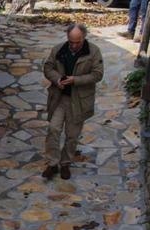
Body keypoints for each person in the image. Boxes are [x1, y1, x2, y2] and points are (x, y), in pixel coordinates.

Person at [41, 23, 104, 181]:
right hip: (59, 98)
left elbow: (97, 75)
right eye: (71, 42)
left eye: (78, 42)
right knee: (53, 129)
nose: (74, 45)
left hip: (79, 101)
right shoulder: (58, 50)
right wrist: (57, 80)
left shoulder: (94, 52)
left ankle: (66, 163)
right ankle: (53, 163)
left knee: (72, 135)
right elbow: (48, 68)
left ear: (84, 38)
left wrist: (76, 80)